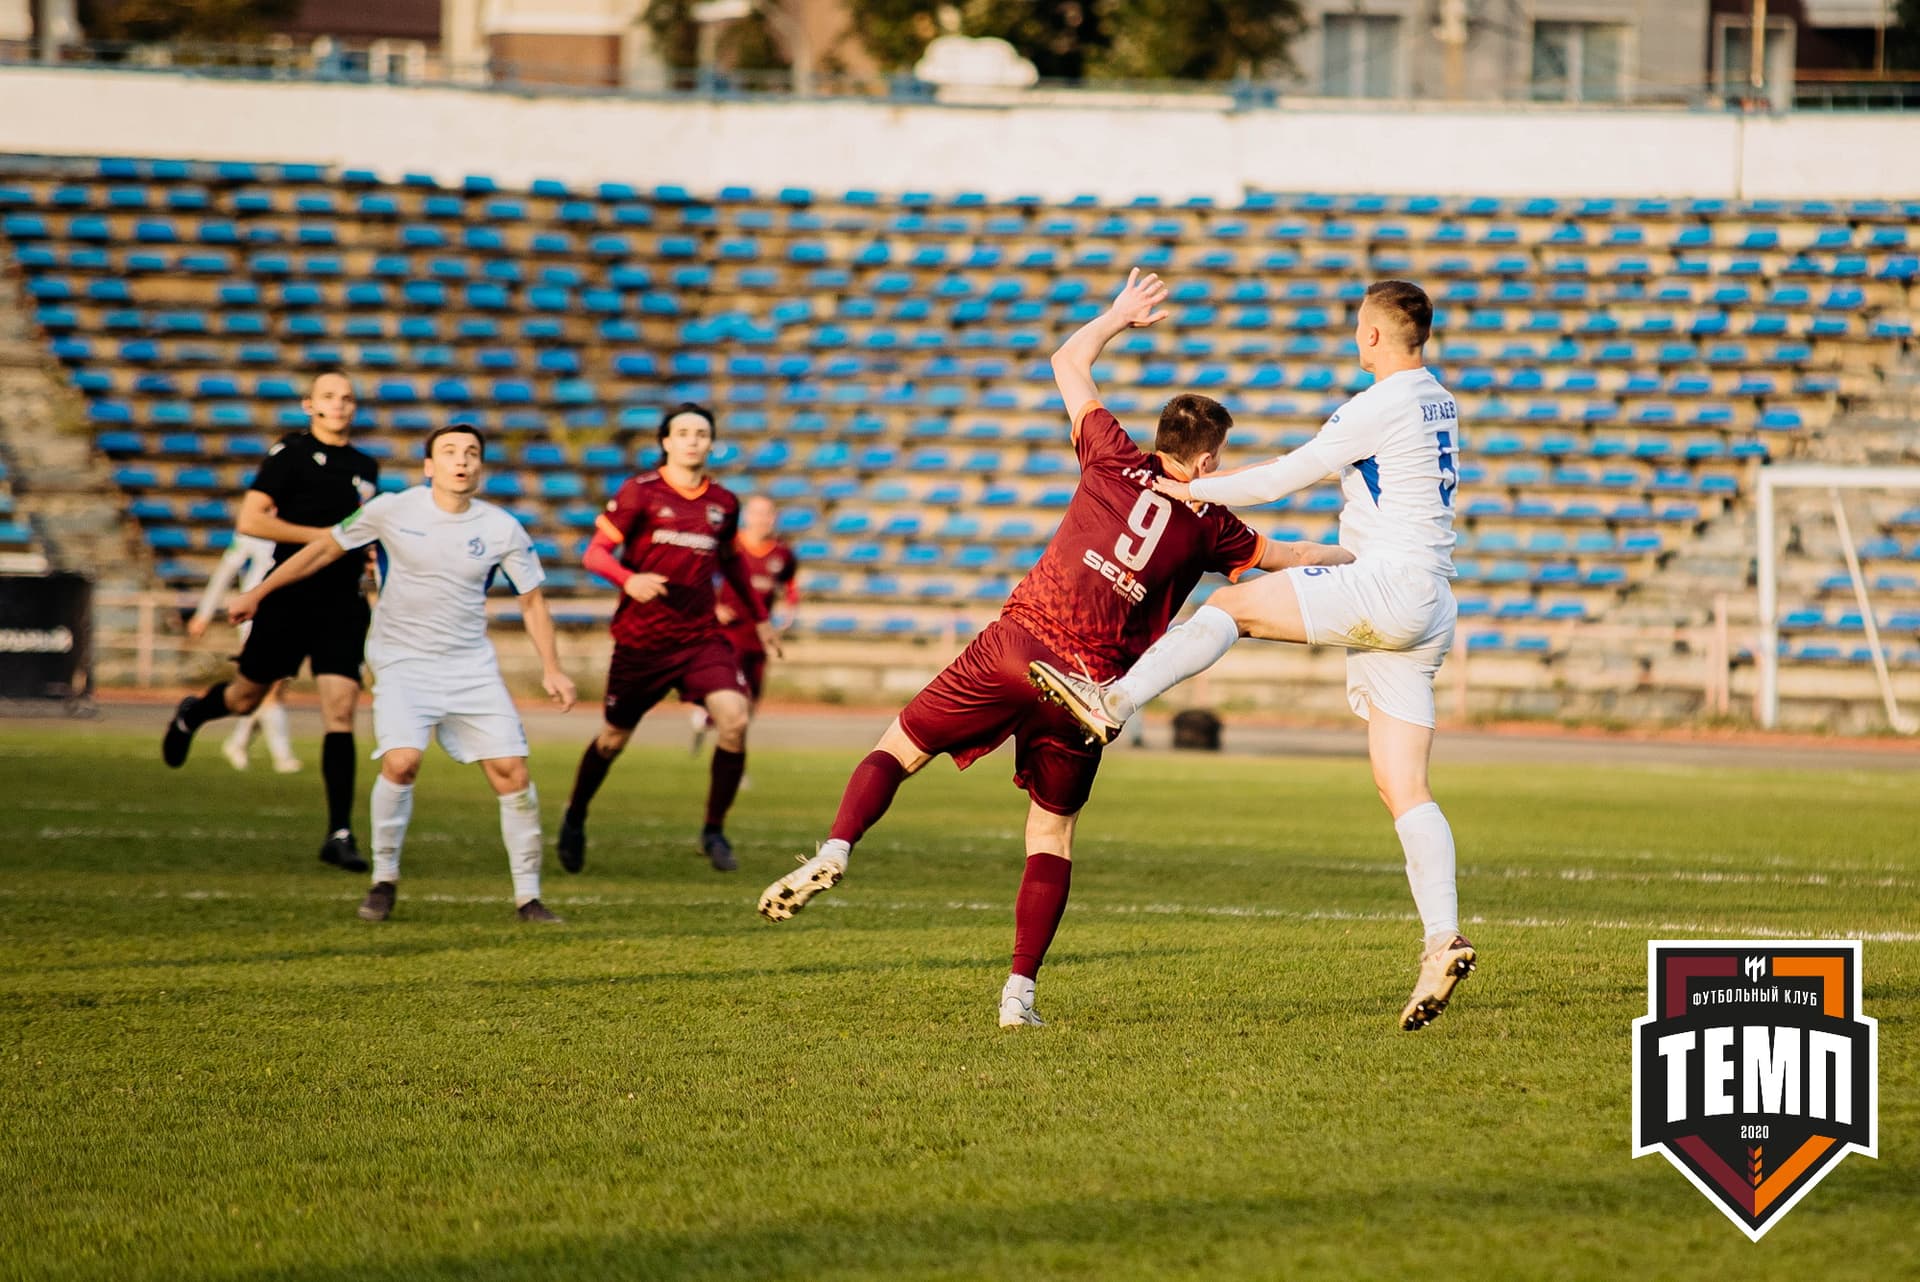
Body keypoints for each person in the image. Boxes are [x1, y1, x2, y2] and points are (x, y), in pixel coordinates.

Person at [758, 270, 1353, 1028]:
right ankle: (1018, 997)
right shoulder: (1212, 520)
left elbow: (1067, 363)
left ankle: (838, 847)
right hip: (1089, 686)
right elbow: (1284, 556)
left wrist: (1117, 316)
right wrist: (1359, 554)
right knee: (1050, 831)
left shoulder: (1111, 456)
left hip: (1017, 642)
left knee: (900, 745)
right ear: (1207, 462)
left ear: (1161, 438)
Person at [1030, 279, 1475, 1032]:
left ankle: (1114, 701)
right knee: (1404, 787)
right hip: (1431, 600)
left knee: (1228, 607)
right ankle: (1442, 939)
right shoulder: (1440, 401)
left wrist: (1184, 493)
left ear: (1370, 336)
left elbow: (1280, 477)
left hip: (1387, 587)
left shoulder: (1376, 404)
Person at [228, 422, 577, 923]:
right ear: (430, 466)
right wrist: (257, 594)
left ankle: (529, 898)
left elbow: (532, 601)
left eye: (472, 453)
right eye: (451, 452)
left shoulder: (500, 527)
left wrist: (553, 669)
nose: (462, 460)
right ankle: (383, 881)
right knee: (401, 762)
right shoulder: (392, 509)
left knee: (513, 774)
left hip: (470, 668)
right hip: (402, 663)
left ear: (480, 466)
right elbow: (325, 549)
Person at [161, 371, 378, 872]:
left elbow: (363, 530)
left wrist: (364, 551)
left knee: (341, 710)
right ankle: (193, 713)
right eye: (329, 397)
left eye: (347, 398)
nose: (339, 405)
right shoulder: (291, 454)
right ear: (310, 405)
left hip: (343, 602)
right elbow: (252, 520)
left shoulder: (366, 466)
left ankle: (339, 832)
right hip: (289, 594)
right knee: (245, 699)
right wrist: (324, 538)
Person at [559, 403, 780, 874]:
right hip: (642, 641)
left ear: (711, 442)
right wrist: (628, 580)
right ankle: (575, 814)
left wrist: (759, 618)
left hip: (700, 638)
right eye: (683, 433)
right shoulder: (640, 493)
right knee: (613, 738)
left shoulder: (723, 502)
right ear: (666, 442)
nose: (693, 440)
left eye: (701, 433)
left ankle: (713, 830)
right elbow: (595, 554)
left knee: (735, 720)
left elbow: (733, 564)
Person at [187, 531, 301, 774]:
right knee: (269, 686)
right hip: (258, 614)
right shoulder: (253, 530)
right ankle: (283, 757)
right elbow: (225, 572)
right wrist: (203, 614)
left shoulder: (297, 522)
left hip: (291, 611)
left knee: (272, 689)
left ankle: (237, 743)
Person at [692, 494, 799, 754]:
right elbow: (699, 575)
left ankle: (726, 744)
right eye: (757, 513)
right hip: (728, 635)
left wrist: (790, 608)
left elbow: (791, 584)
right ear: (746, 516)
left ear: (774, 518)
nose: (762, 520)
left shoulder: (782, 553)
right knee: (734, 700)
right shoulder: (730, 546)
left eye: (767, 514)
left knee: (751, 702)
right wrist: (713, 607)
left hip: (759, 637)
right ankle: (724, 746)